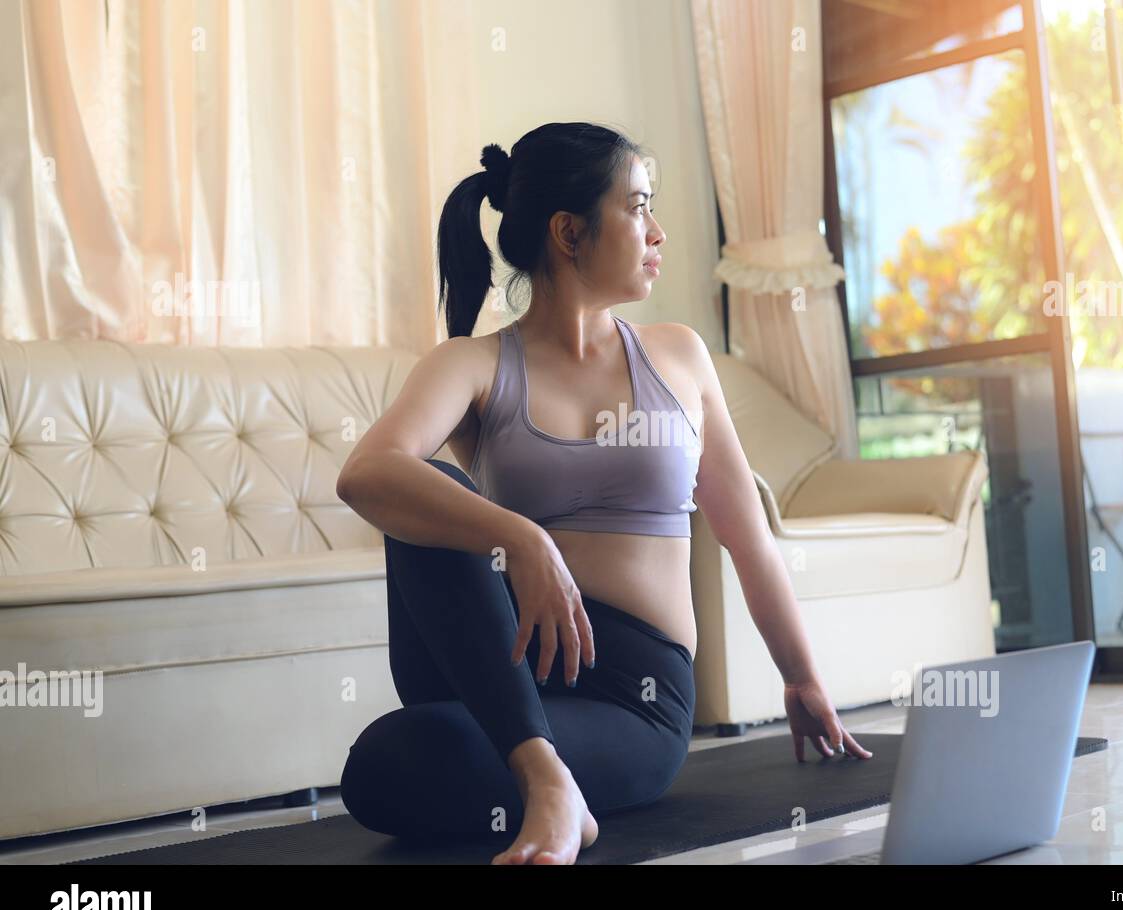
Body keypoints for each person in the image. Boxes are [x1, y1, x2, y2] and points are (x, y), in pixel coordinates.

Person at [335, 121, 872, 865]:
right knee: (423, 493)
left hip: (632, 696)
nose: (656, 231)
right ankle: (547, 781)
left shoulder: (679, 357)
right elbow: (365, 474)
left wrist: (803, 679)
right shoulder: (473, 365)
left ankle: (538, 774)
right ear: (568, 232)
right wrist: (521, 536)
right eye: (638, 206)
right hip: (502, 665)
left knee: (397, 758)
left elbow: (750, 541)